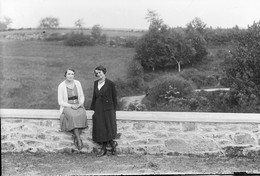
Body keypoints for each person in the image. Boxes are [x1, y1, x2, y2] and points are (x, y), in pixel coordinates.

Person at [90, 65, 118, 157]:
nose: (98, 74)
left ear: (104, 72)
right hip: (98, 108)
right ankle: (112, 145)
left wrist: (114, 109)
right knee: (100, 127)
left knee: (108, 127)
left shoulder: (110, 83)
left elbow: (114, 97)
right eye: (97, 73)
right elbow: (94, 96)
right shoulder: (95, 83)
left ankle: (104, 148)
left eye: (100, 72)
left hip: (108, 108)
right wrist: (93, 109)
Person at [58, 68, 88, 151]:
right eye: (68, 74)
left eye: (72, 74)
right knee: (73, 116)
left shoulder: (78, 83)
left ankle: (75, 136)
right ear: (65, 75)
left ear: (74, 75)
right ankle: (79, 140)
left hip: (78, 105)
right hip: (67, 106)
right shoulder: (61, 86)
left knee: (82, 114)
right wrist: (70, 106)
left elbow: (81, 96)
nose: (70, 76)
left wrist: (80, 104)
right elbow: (60, 101)